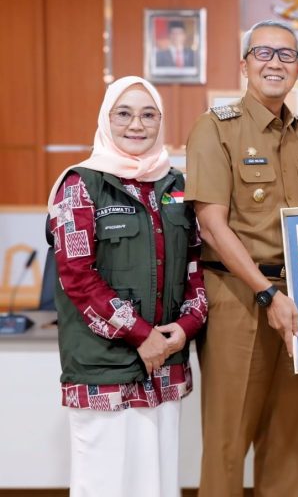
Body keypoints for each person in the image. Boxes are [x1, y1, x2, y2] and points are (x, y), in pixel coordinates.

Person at [47, 75, 208, 497]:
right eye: (124, 113)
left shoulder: (177, 186)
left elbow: (195, 260)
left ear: (161, 121)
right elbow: (77, 277)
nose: (136, 124)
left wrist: (188, 325)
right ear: (106, 118)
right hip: (104, 364)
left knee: (156, 478)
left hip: (165, 361)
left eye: (148, 114)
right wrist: (141, 335)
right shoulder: (80, 185)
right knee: (104, 481)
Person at [184, 19, 298, 496]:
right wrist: (267, 294)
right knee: (228, 441)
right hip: (238, 299)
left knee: (291, 437)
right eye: (263, 53)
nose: (275, 63)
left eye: (286, 56)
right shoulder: (214, 128)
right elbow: (211, 224)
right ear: (244, 64)